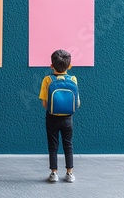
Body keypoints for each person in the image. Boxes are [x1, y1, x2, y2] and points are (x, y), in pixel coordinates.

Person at [39, 49, 80, 183]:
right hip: (68, 118)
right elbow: (77, 102)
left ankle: (54, 173)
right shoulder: (73, 79)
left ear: (51, 66)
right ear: (70, 66)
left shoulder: (47, 79)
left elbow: (45, 103)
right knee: (68, 145)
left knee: (53, 145)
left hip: (52, 117)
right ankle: (69, 173)